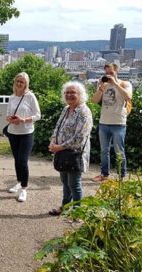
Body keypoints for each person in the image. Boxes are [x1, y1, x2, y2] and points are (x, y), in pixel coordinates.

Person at [48, 81, 93, 216]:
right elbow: (58, 127)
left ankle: (77, 213)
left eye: (72, 92)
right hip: (62, 153)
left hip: (74, 154)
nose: (69, 95)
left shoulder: (84, 112)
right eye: (67, 92)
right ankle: (65, 207)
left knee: (74, 184)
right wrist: (52, 141)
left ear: (80, 94)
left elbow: (79, 138)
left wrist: (59, 147)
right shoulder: (66, 109)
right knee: (65, 182)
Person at [92, 63, 133, 182]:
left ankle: (122, 175)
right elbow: (94, 101)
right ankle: (104, 174)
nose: (108, 75)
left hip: (119, 122)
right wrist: (101, 88)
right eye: (107, 73)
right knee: (104, 150)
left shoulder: (125, 84)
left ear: (117, 71)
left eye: (111, 73)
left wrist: (115, 83)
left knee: (119, 150)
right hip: (104, 122)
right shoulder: (103, 85)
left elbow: (128, 97)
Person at [5, 72, 41, 202]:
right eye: (18, 81)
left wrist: (23, 120)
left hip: (26, 133)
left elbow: (38, 115)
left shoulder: (30, 96)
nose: (20, 83)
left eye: (22, 82)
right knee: (16, 160)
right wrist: (10, 118)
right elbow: (8, 113)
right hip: (13, 132)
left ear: (26, 84)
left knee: (23, 161)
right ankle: (19, 182)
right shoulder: (12, 97)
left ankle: (24, 189)